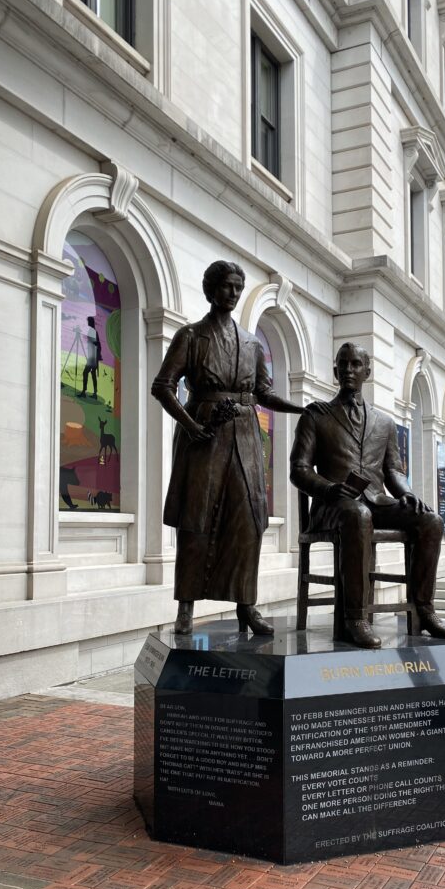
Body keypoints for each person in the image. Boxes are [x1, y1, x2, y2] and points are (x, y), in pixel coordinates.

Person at [152, 260, 303, 635]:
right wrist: (192, 427)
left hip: (246, 436)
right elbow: (163, 386)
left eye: (238, 287)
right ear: (210, 290)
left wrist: (303, 406)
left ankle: (245, 605)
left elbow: (263, 394)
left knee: (248, 520)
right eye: (226, 287)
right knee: (196, 520)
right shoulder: (190, 336)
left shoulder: (252, 343)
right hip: (203, 433)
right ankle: (185, 607)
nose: (233, 294)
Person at [289, 342, 445, 649]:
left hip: (377, 502)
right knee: (357, 514)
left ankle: (425, 609)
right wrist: (328, 488)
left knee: (431, 520)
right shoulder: (316, 415)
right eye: (344, 364)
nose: (350, 370)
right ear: (335, 370)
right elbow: (298, 470)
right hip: (334, 506)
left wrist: (406, 493)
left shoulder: (384, 422)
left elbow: (393, 470)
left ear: (368, 371)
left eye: (356, 364)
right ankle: (356, 617)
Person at [79, 315, 102, 399]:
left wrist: (89, 341)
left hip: (93, 356)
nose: (87, 322)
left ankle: (84, 392)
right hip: (93, 356)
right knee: (92, 374)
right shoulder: (93, 331)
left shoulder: (92, 331)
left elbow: (96, 343)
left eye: (88, 321)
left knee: (86, 373)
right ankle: (94, 393)